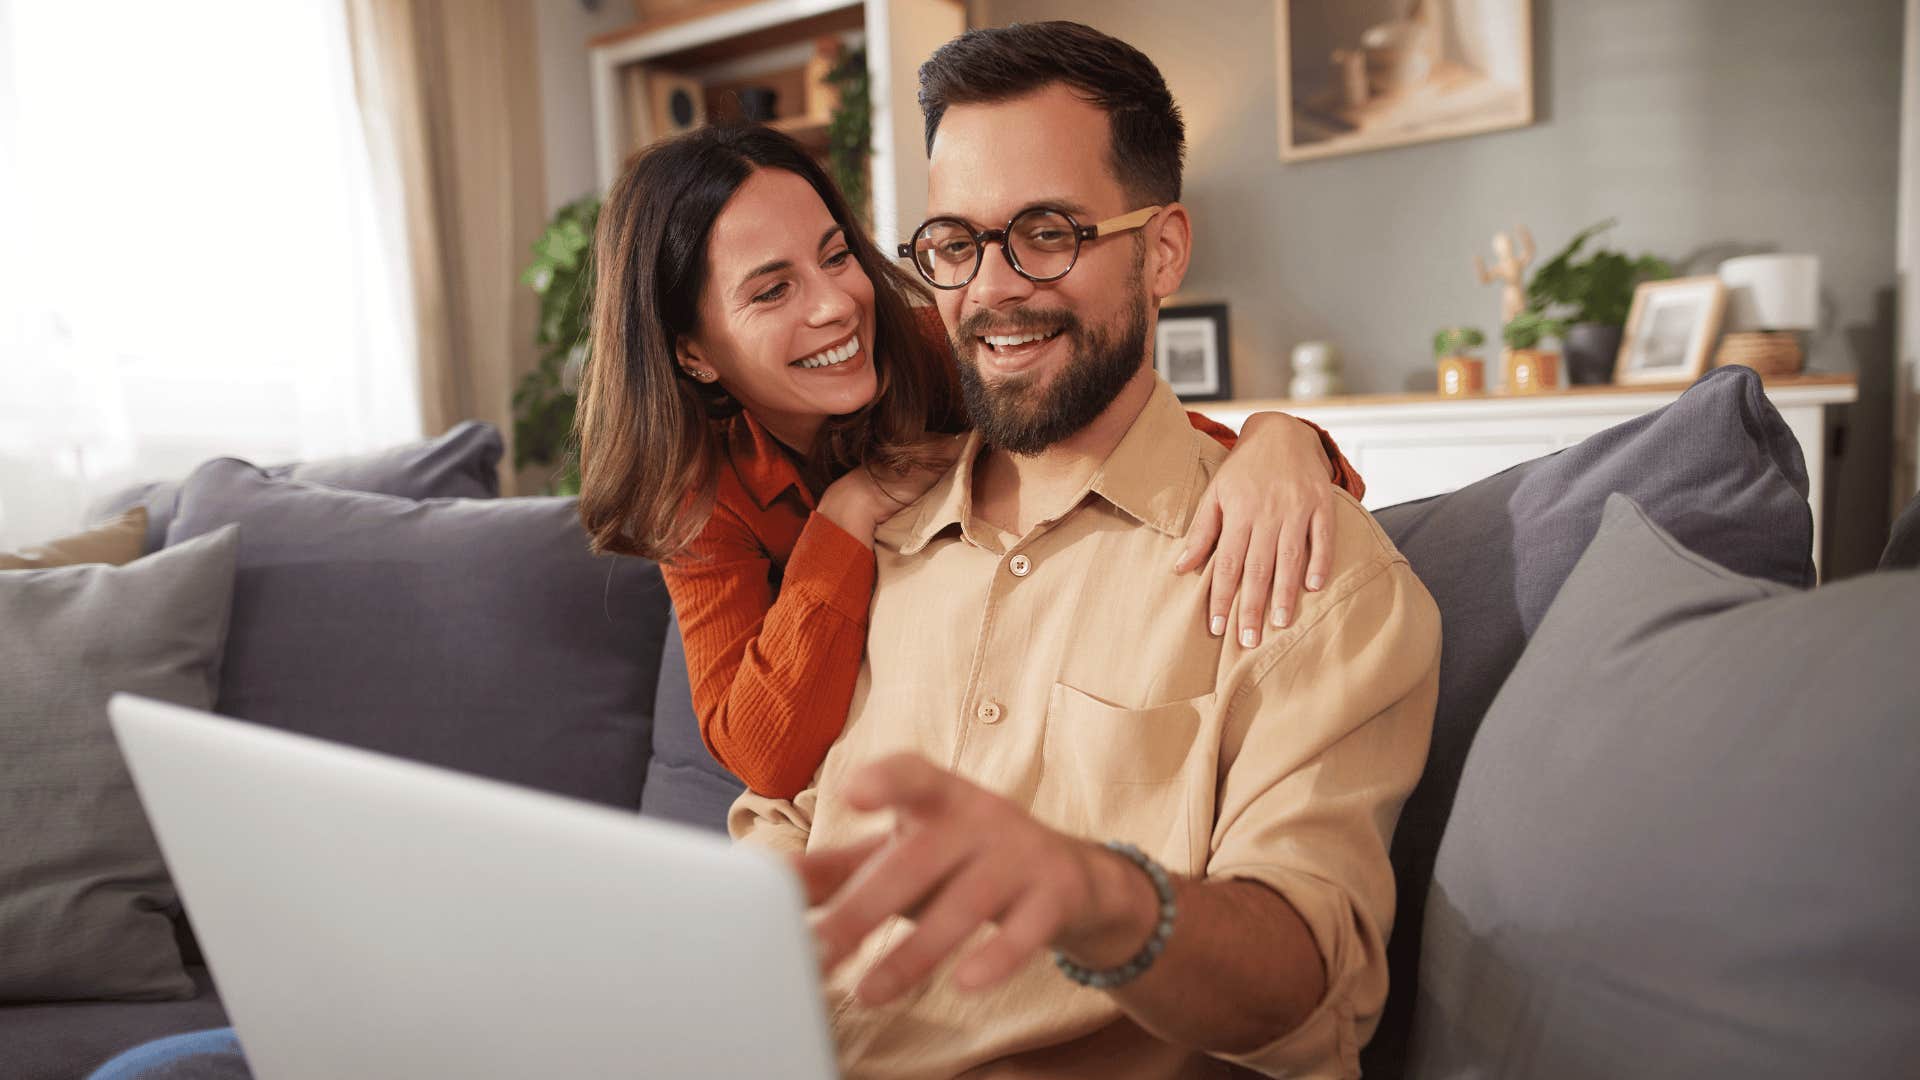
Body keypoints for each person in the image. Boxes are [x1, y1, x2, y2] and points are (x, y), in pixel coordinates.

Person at [730, 21, 1441, 1079]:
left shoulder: (1307, 565)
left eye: (1049, 232)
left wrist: (1102, 895)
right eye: (957, 244)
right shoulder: (871, 542)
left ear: (1161, 251)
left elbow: (1308, 978)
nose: (994, 289)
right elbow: (777, 818)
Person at [572, 122, 1366, 798]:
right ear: (693, 353)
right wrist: (847, 512)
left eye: (836, 255)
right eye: (772, 291)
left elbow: (1147, 446)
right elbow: (764, 756)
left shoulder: (931, 350)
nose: (835, 304)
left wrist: (1281, 439)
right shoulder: (698, 492)